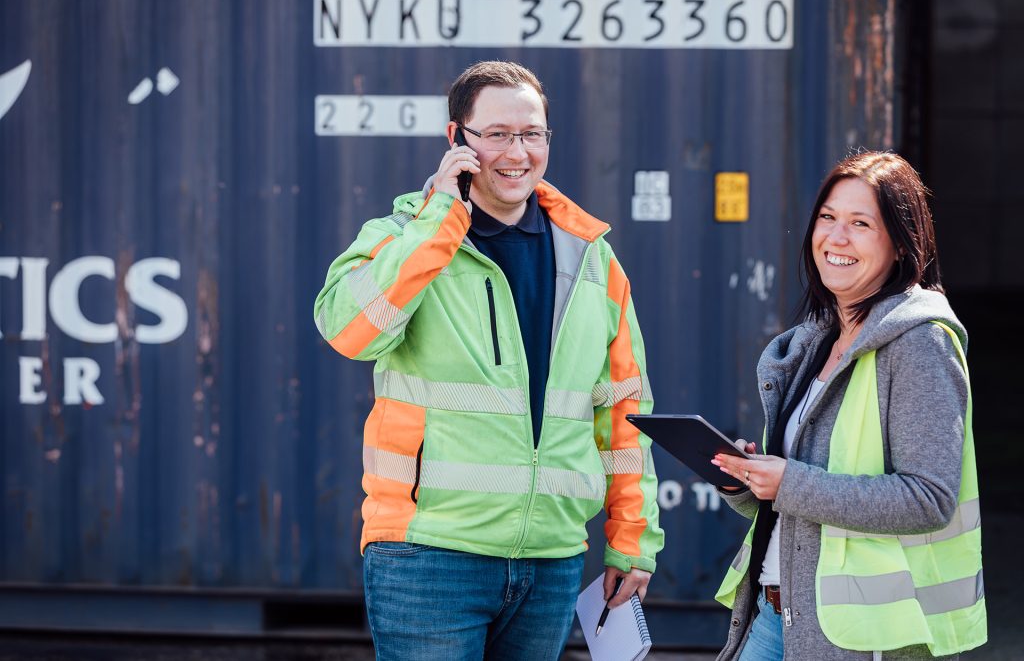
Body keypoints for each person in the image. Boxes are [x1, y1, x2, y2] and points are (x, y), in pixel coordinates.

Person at [313, 61, 663, 660]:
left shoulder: (593, 261)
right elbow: (348, 330)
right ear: (457, 141)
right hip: (429, 555)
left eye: (532, 134)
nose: (517, 152)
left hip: (550, 559)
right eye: (496, 134)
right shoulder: (399, 235)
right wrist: (438, 222)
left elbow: (623, 411)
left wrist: (631, 536)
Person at [711, 151, 986, 660]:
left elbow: (929, 498)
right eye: (828, 218)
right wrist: (749, 482)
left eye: (860, 224)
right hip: (774, 614)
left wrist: (788, 482)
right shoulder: (818, 341)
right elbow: (808, 486)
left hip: (858, 638)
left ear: (901, 245)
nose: (836, 238)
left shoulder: (920, 344)